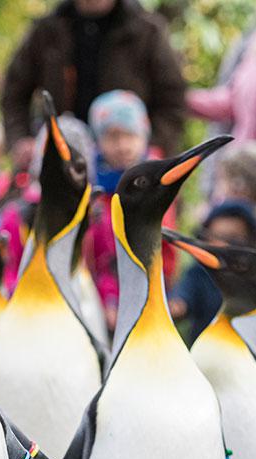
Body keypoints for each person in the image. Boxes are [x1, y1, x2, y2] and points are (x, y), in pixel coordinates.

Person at [0, 0, 186, 171]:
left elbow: (173, 99)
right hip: (60, 166)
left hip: (129, 170)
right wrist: (20, 139)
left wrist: (152, 149)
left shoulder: (146, 30)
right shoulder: (47, 30)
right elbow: (13, 93)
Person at [84, 90, 151, 330]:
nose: (122, 146)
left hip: (150, 295)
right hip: (101, 299)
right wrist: (107, 296)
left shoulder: (157, 186)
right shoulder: (94, 191)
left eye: (130, 135)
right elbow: (93, 254)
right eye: (112, 137)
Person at [169, 202, 256, 345]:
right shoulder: (199, 275)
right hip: (206, 357)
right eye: (213, 238)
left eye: (232, 239)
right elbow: (180, 303)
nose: (221, 246)